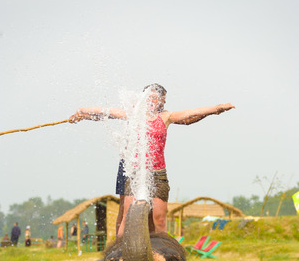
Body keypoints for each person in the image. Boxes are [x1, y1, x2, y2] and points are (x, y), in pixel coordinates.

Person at [69, 83, 235, 236]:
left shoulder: (166, 116)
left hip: (158, 173)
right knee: (127, 217)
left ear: (162, 101)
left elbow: (191, 114)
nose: (151, 101)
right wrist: (82, 112)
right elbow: (106, 112)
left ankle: (160, 255)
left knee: (160, 219)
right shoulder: (133, 114)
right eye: (148, 97)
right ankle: (118, 253)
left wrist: (217, 108)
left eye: (155, 98)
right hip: (135, 173)